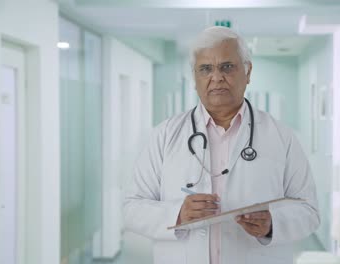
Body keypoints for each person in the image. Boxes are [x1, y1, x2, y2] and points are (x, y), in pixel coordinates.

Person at [123, 26, 320, 264]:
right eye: (206, 69)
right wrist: (177, 214)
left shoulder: (282, 137)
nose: (216, 77)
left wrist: (273, 224)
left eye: (227, 67)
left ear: (247, 72)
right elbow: (132, 208)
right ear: (194, 78)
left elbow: (309, 210)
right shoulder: (164, 135)